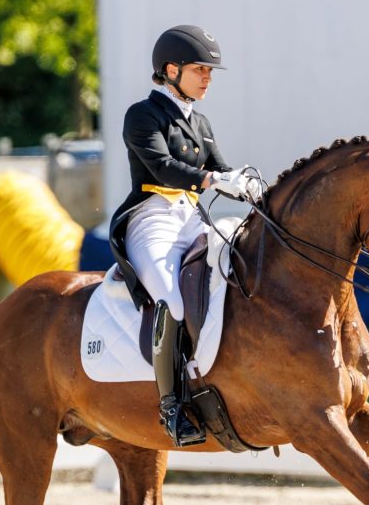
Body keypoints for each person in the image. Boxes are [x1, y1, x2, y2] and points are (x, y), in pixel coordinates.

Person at [108, 25, 264, 447]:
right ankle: (172, 406)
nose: (208, 78)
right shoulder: (143, 115)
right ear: (171, 70)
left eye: (210, 71)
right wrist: (215, 179)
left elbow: (220, 166)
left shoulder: (201, 120)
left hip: (191, 217)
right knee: (170, 298)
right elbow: (163, 168)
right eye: (200, 70)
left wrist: (248, 184)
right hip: (152, 216)